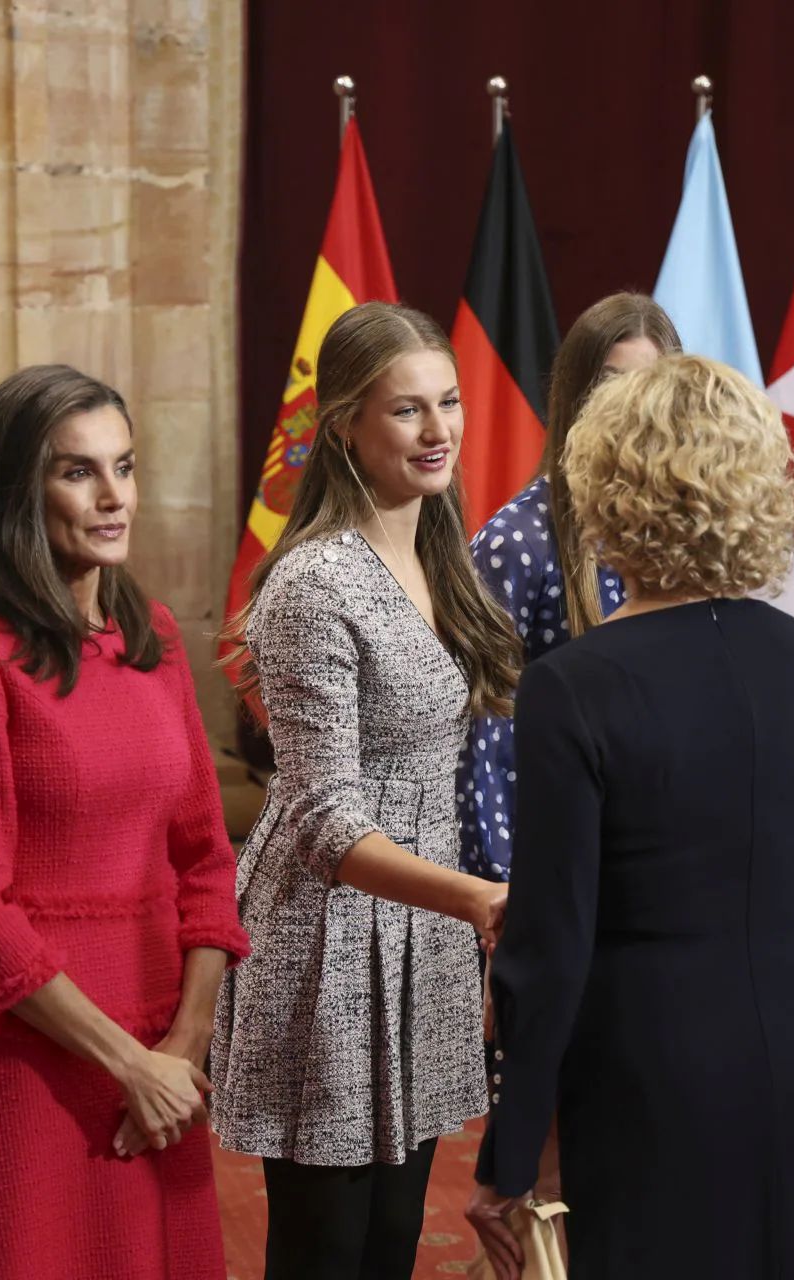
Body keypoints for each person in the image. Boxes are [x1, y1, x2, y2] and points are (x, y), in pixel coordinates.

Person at [466, 355, 794, 1279]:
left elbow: (549, 945)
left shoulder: (574, 685)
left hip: (655, 1066)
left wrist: (510, 1156)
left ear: (607, 490)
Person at [0, 366, 249, 1279]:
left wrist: (178, 1052)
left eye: (123, 467)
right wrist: (126, 1063)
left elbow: (208, 863)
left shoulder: (157, 639)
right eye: (77, 472)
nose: (112, 497)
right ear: (17, 492)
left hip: (164, 1076)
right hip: (43, 1069)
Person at [213, 301, 516, 1279]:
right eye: (406, 411)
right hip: (330, 945)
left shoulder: (436, 549)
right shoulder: (313, 583)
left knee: (390, 1243)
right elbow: (321, 820)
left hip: (421, 930)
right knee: (326, 1254)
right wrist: (477, 899)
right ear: (344, 423)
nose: (439, 432)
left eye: (450, 403)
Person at [457, 292, 681, 882]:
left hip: (654, 857)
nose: (631, 407)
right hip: (557, 867)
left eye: (649, 385)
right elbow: (483, 739)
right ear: (575, 395)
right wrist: (508, 895)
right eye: (609, 385)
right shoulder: (518, 543)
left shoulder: (679, 536)